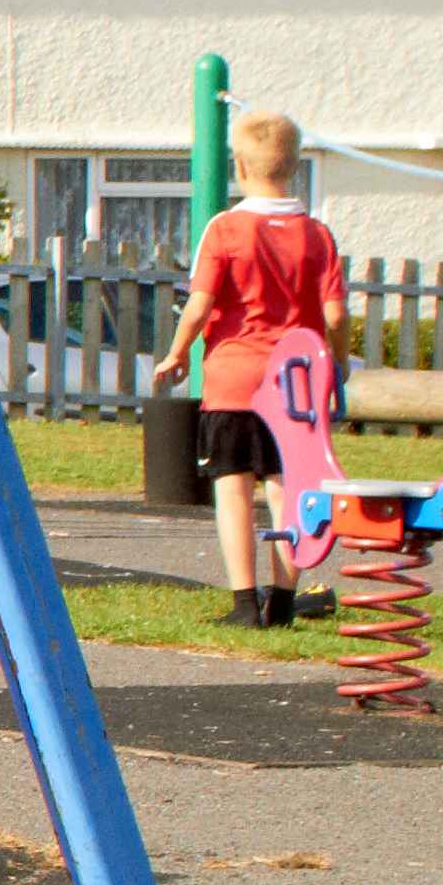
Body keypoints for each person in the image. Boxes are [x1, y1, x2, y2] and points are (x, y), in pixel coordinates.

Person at [152, 107, 346, 626]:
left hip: (234, 380)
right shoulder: (317, 235)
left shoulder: (226, 229)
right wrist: (339, 366)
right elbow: (336, 314)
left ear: (239, 165)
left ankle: (243, 602)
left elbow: (199, 304)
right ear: (295, 165)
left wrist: (176, 353)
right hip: (295, 388)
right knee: (288, 489)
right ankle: (282, 602)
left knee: (232, 486)